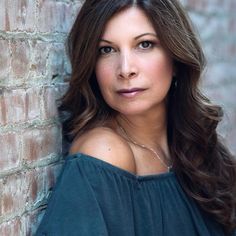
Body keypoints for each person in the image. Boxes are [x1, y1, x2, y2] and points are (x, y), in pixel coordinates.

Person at [36, 0, 236, 235]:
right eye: (106, 49)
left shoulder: (194, 147)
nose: (125, 69)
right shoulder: (103, 153)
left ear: (176, 58)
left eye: (144, 44)